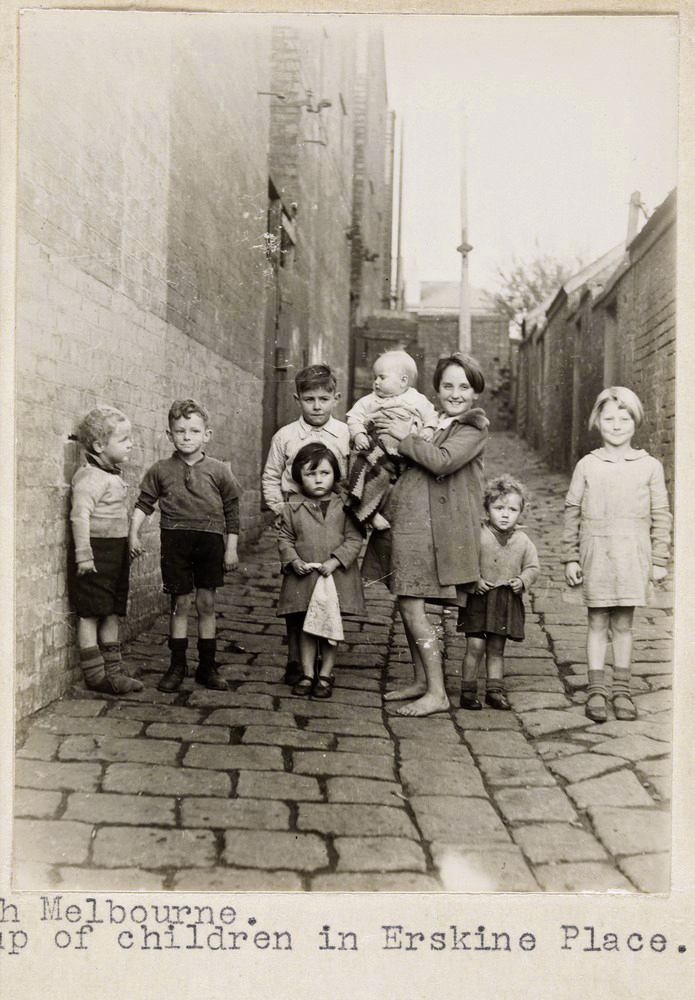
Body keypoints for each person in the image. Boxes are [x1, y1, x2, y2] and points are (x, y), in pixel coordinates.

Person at [367, 352, 489, 717]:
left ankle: (437, 692)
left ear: (475, 393)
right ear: (436, 389)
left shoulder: (473, 427)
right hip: (412, 524)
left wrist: (406, 438)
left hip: (440, 528)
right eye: (448, 385)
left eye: (464, 387)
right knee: (407, 601)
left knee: (413, 604)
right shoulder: (433, 420)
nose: (455, 393)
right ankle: (421, 680)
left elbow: (442, 461)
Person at [563, 387, 672, 722]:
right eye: (609, 418)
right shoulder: (587, 465)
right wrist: (570, 556)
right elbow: (571, 511)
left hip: (631, 557)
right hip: (597, 555)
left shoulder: (649, 466)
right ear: (597, 421)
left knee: (623, 625)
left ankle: (622, 690)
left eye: (624, 418)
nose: (616, 424)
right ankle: (597, 689)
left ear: (635, 422)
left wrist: (658, 560)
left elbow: (661, 514)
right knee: (597, 622)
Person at [129, 399, 241, 692]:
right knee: (179, 604)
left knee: (206, 603)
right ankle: (177, 665)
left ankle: (207, 666)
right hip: (175, 541)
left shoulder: (219, 471)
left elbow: (232, 510)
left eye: (194, 431)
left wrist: (231, 548)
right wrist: (133, 533)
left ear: (207, 435)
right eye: (180, 431)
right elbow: (144, 504)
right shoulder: (160, 469)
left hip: (210, 542)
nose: (187, 437)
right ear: (170, 435)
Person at [261, 363, 350, 686]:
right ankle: (295, 660)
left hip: (331, 516)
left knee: (326, 594)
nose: (316, 406)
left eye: (323, 399)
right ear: (297, 399)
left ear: (335, 398)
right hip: (296, 518)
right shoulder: (285, 436)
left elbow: (352, 476)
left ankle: (323, 661)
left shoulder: (344, 434)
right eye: (309, 399)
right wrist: (280, 509)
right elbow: (271, 476)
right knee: (297, 595)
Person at [276, 442, 365, 699]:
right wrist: (293, 561)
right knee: (307, 625)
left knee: (328, 627)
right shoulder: (293, 505)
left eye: (324, 473)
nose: (318, 480)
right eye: (310, 474)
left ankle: (325, 673)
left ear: (335, 474)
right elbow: (285, 538)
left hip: (334, 577)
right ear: (299, 477)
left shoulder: (345, 505)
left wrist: (335, 561)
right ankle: (307, 673)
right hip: (304, 578)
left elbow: (354, 539)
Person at [68, 406, 143, 694]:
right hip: (95, 555)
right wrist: (84, 555)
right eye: (123, 440)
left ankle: (113, 669)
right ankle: (95, 675)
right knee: (90, 611)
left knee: (111, 609)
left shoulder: (109, 474)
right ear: (100, 446)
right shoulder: (89, 477)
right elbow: (80, 517)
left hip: (114, 553)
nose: (130, 445)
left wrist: (128, 545)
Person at [458, 475, 539, 711]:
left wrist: (523, 581)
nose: (505, 514)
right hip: (479, 599)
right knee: (475, 647)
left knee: (496, 648)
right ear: (487, 509)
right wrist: (474, 581)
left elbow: (533, 567)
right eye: (499, 508)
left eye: (512, 509)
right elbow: (465, 560)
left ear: (521, 511)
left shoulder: (523, 541)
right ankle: (468, 691)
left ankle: (494, 691)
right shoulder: (479, 534)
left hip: (505, 600)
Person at [344, 350, 438, 531]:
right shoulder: (369, 400)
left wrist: (428, 428)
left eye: (382, 377)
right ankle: (368, 512)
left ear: (403, 381)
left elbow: (431, 416)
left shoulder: (417, 399)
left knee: (397, 487)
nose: (376, 382)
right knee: (375, 475)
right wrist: (359, 435)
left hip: (404, 453)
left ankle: (374, 510)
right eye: (374, 378)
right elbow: (354, 418)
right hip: (376, 452)